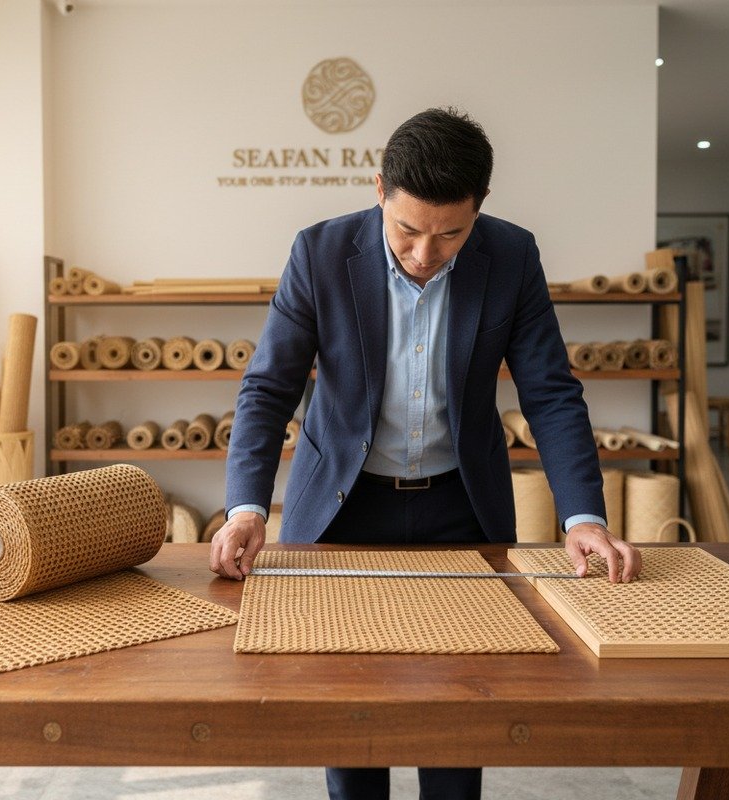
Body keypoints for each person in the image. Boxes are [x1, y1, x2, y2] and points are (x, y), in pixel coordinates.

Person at [209, 107, 641, 800]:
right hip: (343, 513)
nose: (423, 254)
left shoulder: (511, 255)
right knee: (351, 722)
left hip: (459, 508)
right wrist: (246, 507)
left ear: (480, 209)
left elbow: (551, 393)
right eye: (408, 230)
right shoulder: (319, 252)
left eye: (450, 235)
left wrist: (583, 517)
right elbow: (268, 389)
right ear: (379, 188)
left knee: (459, 715)